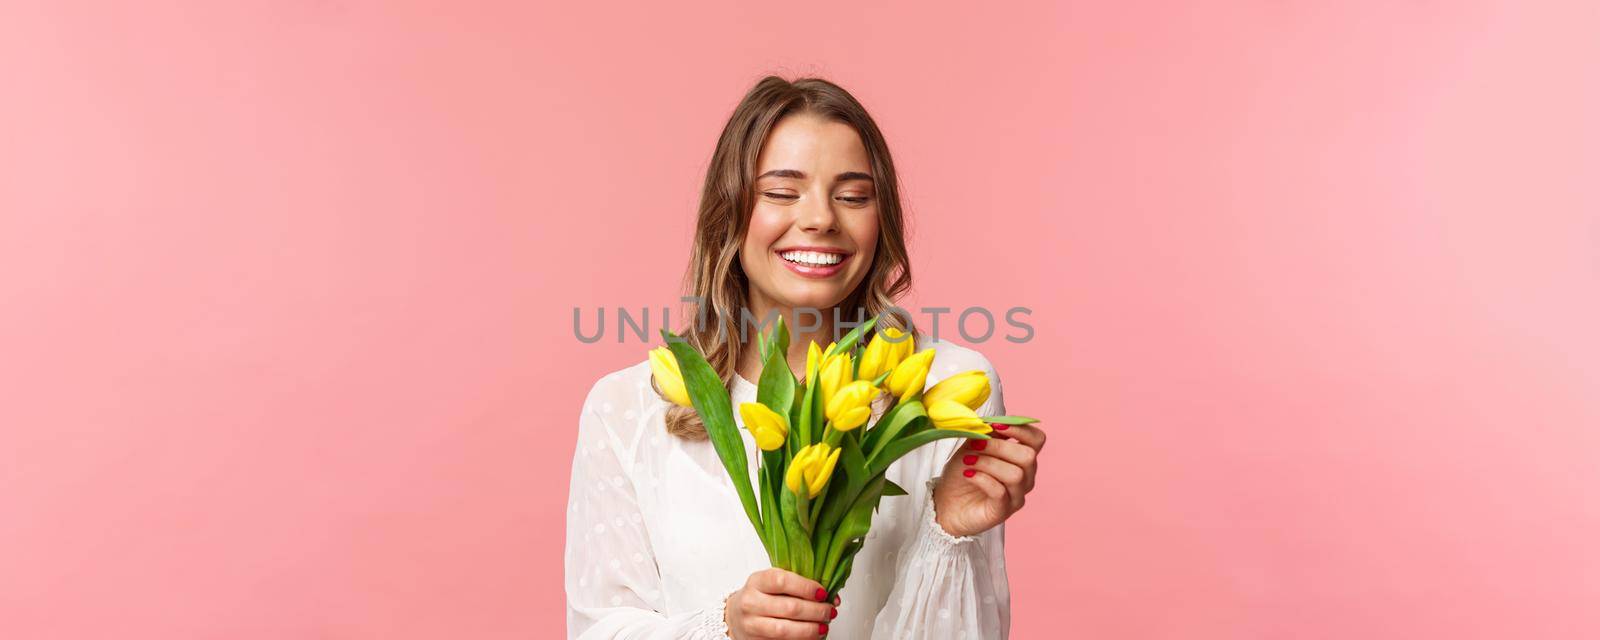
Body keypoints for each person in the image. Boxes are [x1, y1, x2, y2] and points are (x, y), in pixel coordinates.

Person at [564, 76, 1046, 639]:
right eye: (781, 192)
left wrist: (950, 531)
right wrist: (726, 627)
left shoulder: (944, 387)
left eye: (853, 195)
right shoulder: (629, 407)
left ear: (880, 219)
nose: (820, 219)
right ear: (730, 212)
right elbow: (600, 630)